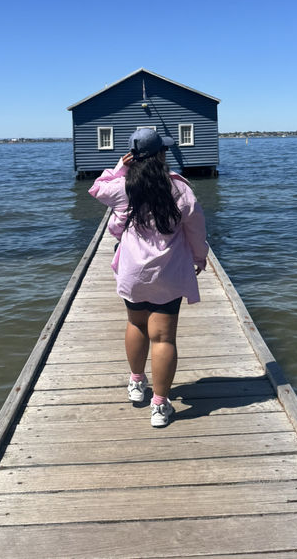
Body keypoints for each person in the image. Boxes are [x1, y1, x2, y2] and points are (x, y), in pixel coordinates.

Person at [88, 128, 208, 427]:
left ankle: (137, 382)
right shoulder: (180, 189)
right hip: (168, 272)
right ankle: (160, 405)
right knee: (164, 336)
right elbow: (196, 228)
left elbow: (97, 187)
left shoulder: (122, 188)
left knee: (136, 324)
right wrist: (200, 256)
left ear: (133, 157)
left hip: (133, 272)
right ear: (162, 154)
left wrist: (120, 167)